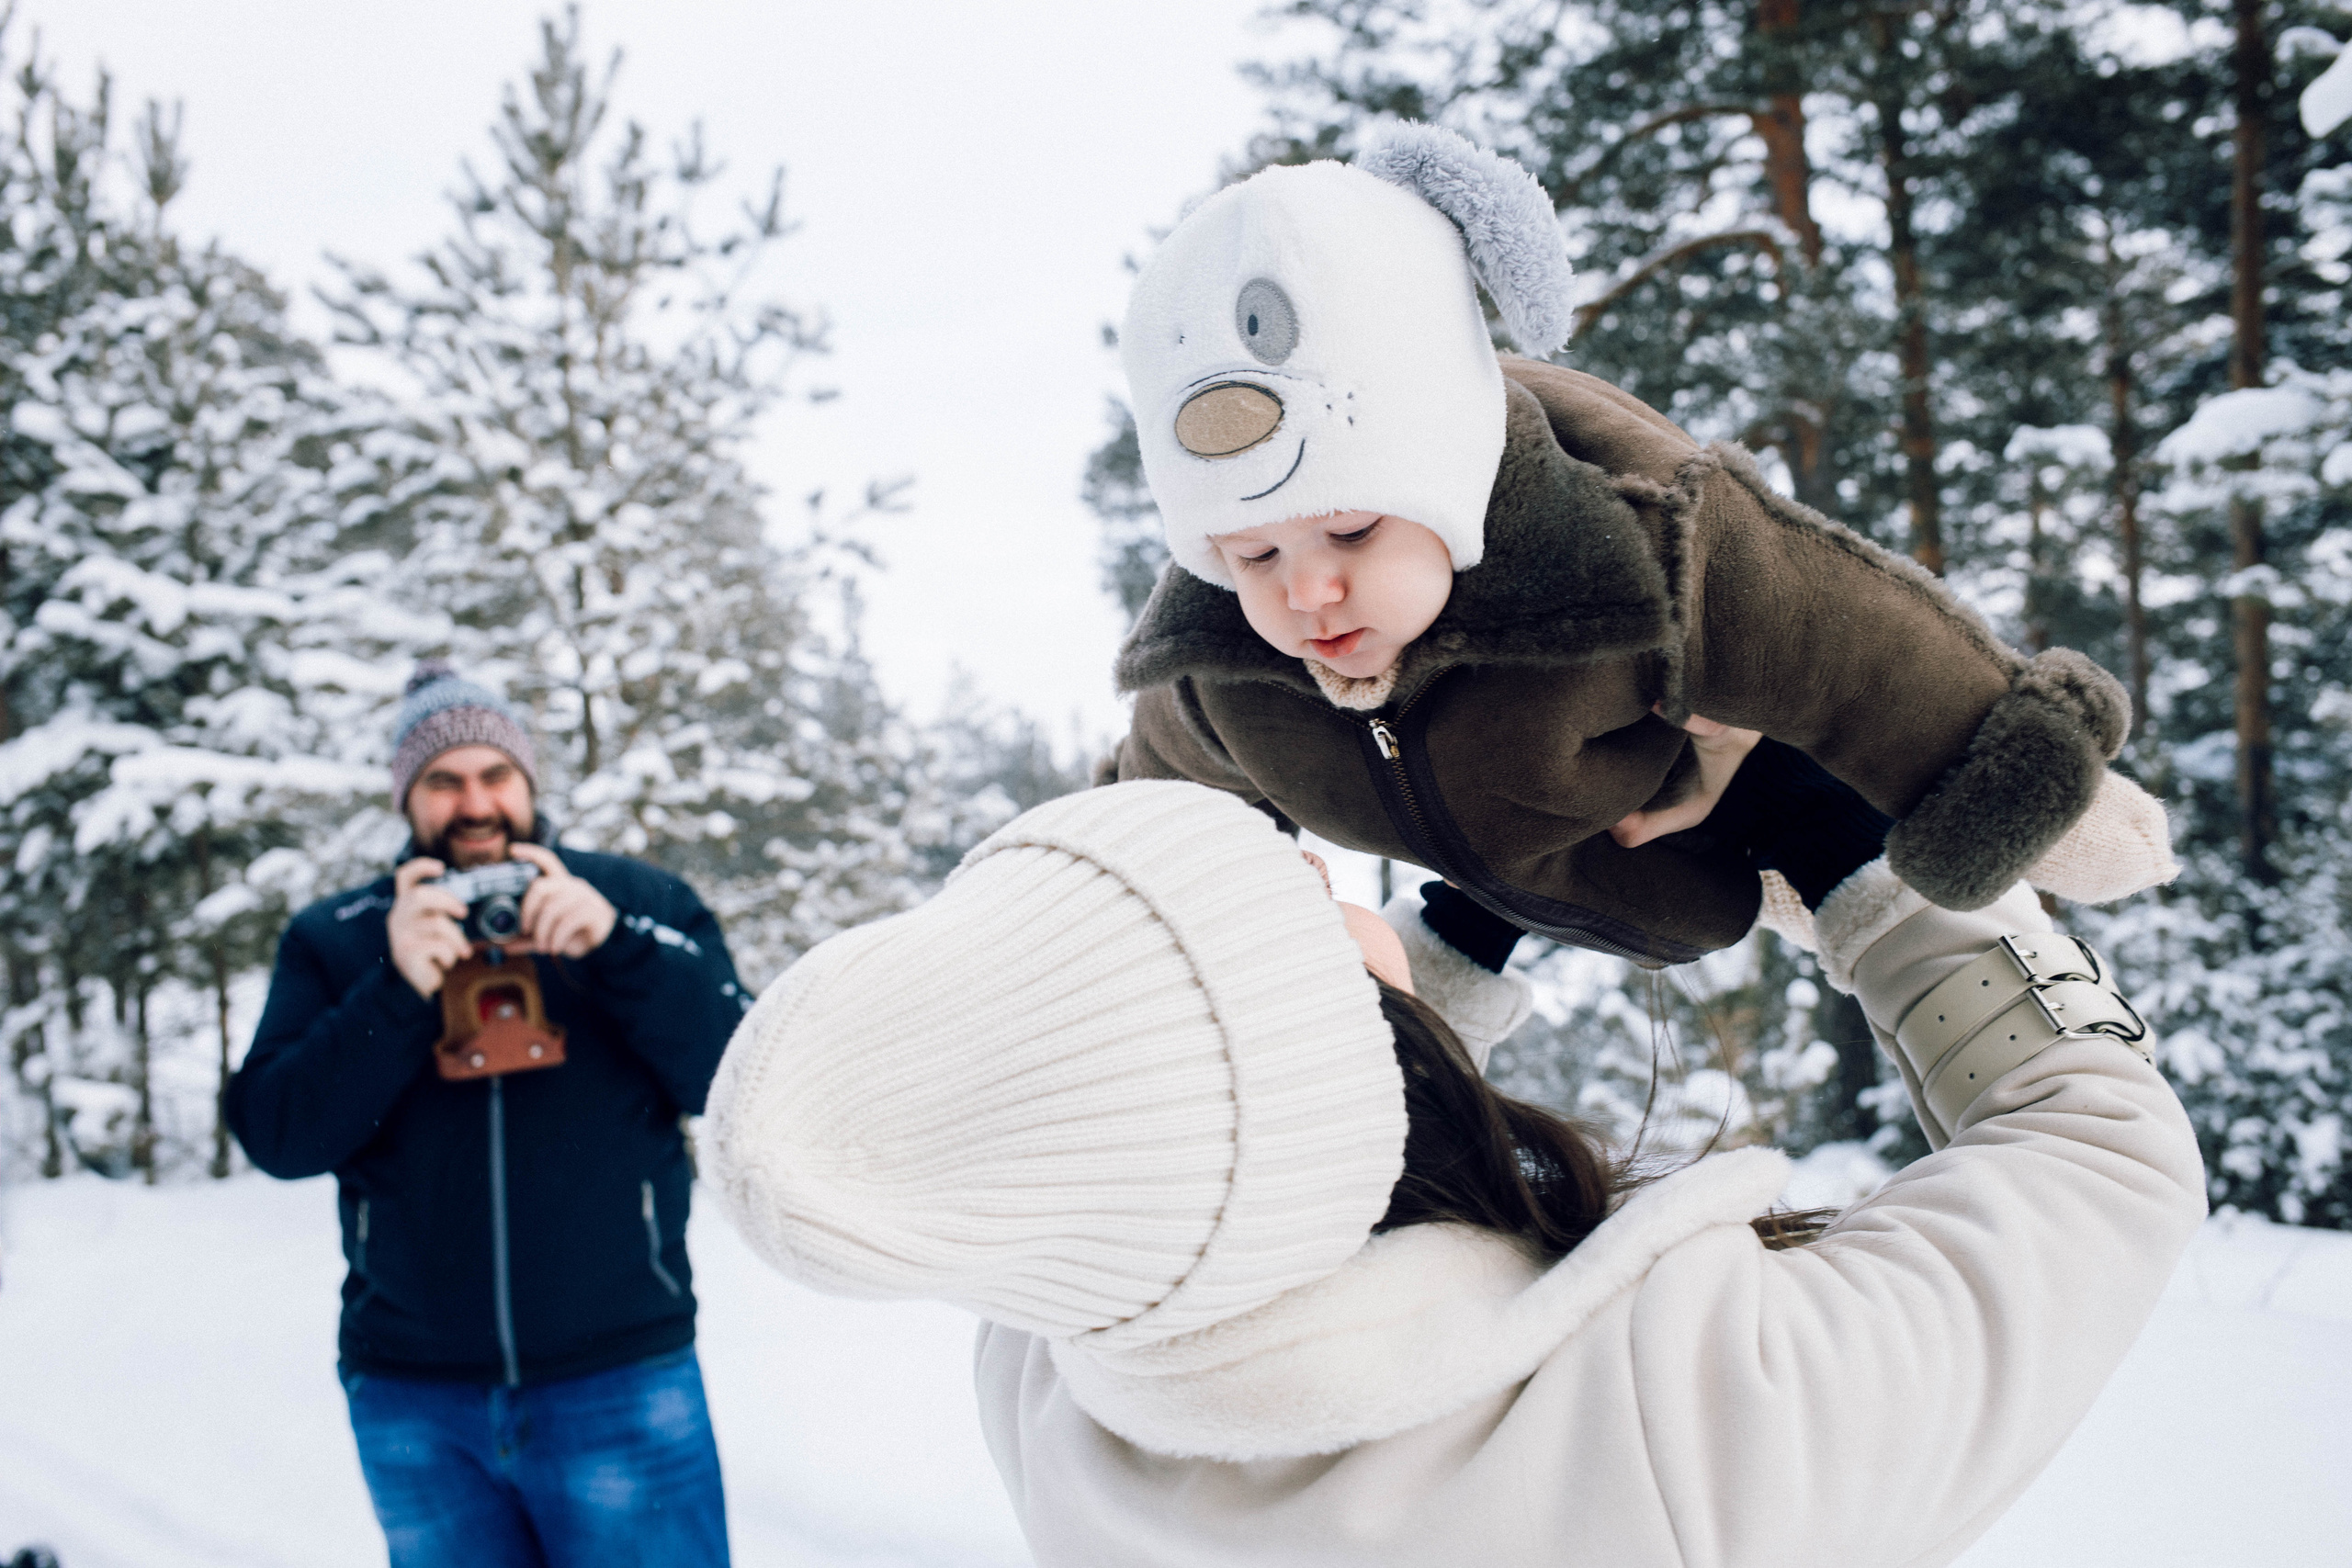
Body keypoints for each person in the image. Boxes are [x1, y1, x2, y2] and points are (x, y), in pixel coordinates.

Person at [699, 778, 2203, 1567]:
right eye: (1287, 904)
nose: (1314, 866)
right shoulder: (1683, 1420)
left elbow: (1232, 1150)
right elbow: (2103, 1154)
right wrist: (1869, 874)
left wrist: (1465, 938)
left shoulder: (1055, 1392)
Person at [1102, 120, 2177, 965]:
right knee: (1412, 981)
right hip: (1501, 878)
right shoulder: (1218, 670)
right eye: (1252, 557)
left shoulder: (1633, 552)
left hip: (1704, 813)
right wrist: (1117, 910)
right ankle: (1446, 998)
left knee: (1833, 834)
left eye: (1349, 529)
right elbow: (1156, 808)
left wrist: (2028, 788)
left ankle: (1909, 935)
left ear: (1442, 481)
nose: (1308, 591)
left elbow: (1857, 642)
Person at [226, 662, 749, 1568]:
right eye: (443, 780)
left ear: (528, 780)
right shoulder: (340, 936)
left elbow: (736, 1078)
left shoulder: (637, 902)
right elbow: (278, 1134)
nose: (475, 803)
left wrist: (617, 950)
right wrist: (394, 989)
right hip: (415, 1396)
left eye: (495, 774)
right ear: (406, 795)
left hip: (622, 1373)